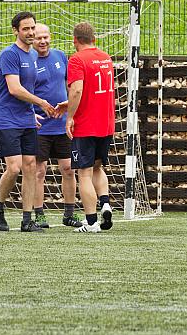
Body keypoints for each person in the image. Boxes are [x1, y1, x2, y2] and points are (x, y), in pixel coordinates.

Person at [0, 11, 57, 233]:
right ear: (15, 31)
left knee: (30, 166)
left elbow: (28, 89)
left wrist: (31, 113)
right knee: (14, 168)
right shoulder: (9, 54)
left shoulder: (33, 56)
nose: (30, 32)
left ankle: (27, 220)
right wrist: (41, 103)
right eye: (25, 29)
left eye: (32, 28)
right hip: (7, 119)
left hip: (26, 119)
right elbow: (15, 89)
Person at [65, 22, 115, 233]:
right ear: (94, 39)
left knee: (83, 173)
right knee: (97, 167)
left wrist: (70, 117)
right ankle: (105, 203)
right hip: (106, 123)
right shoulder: (105, 57)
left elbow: (77, 90)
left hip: (86, 124)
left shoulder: (77, 59)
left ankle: (92, 222)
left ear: (75, 40)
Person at [32, 23, 83, 229]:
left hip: (62, 126)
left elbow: (72, 87)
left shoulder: (61, 56)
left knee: (69, 169)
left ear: (50, 37)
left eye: (45, 37)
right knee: (39, 171)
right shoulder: (27, 61)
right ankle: (39, 215)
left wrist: (70, 108)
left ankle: (69, 214)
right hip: (39, 127)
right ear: (32, 39)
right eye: (38, 38)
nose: (42, 41)